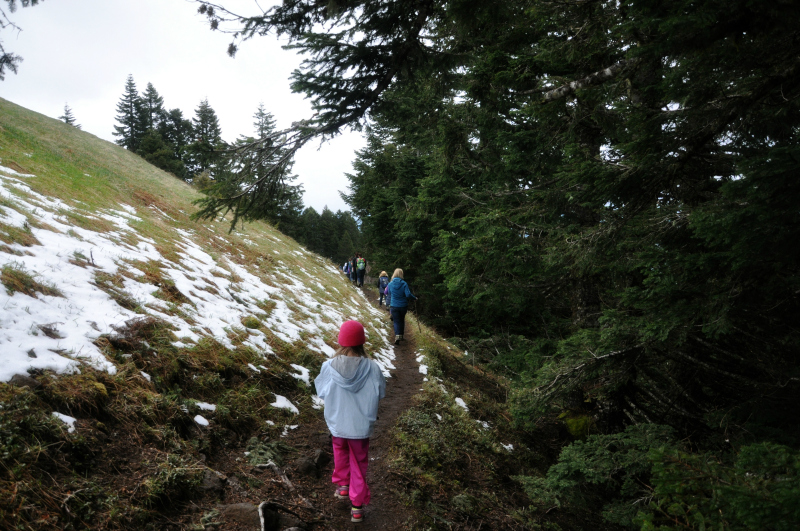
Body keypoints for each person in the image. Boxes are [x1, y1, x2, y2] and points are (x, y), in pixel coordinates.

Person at [314, 321, 386, 524]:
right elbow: (381, 392)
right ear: (362, 342)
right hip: (361, 426)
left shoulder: (328, 367)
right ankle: (357, 507)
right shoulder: (372, 367)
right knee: (359, 462)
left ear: (341, 341)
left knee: (340, 452)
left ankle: (343, 486)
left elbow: (320, 392)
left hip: (337, 422)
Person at [387, 268, 417, 345]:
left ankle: (397, 336)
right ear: (401, 274)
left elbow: (389, 293)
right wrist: (414, 298)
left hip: (394, 305)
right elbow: (408, 294)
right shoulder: (404, 283)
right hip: (403, 305)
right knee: (402, 319)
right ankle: (401, 335)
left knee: (396, 321)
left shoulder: (390, 284)